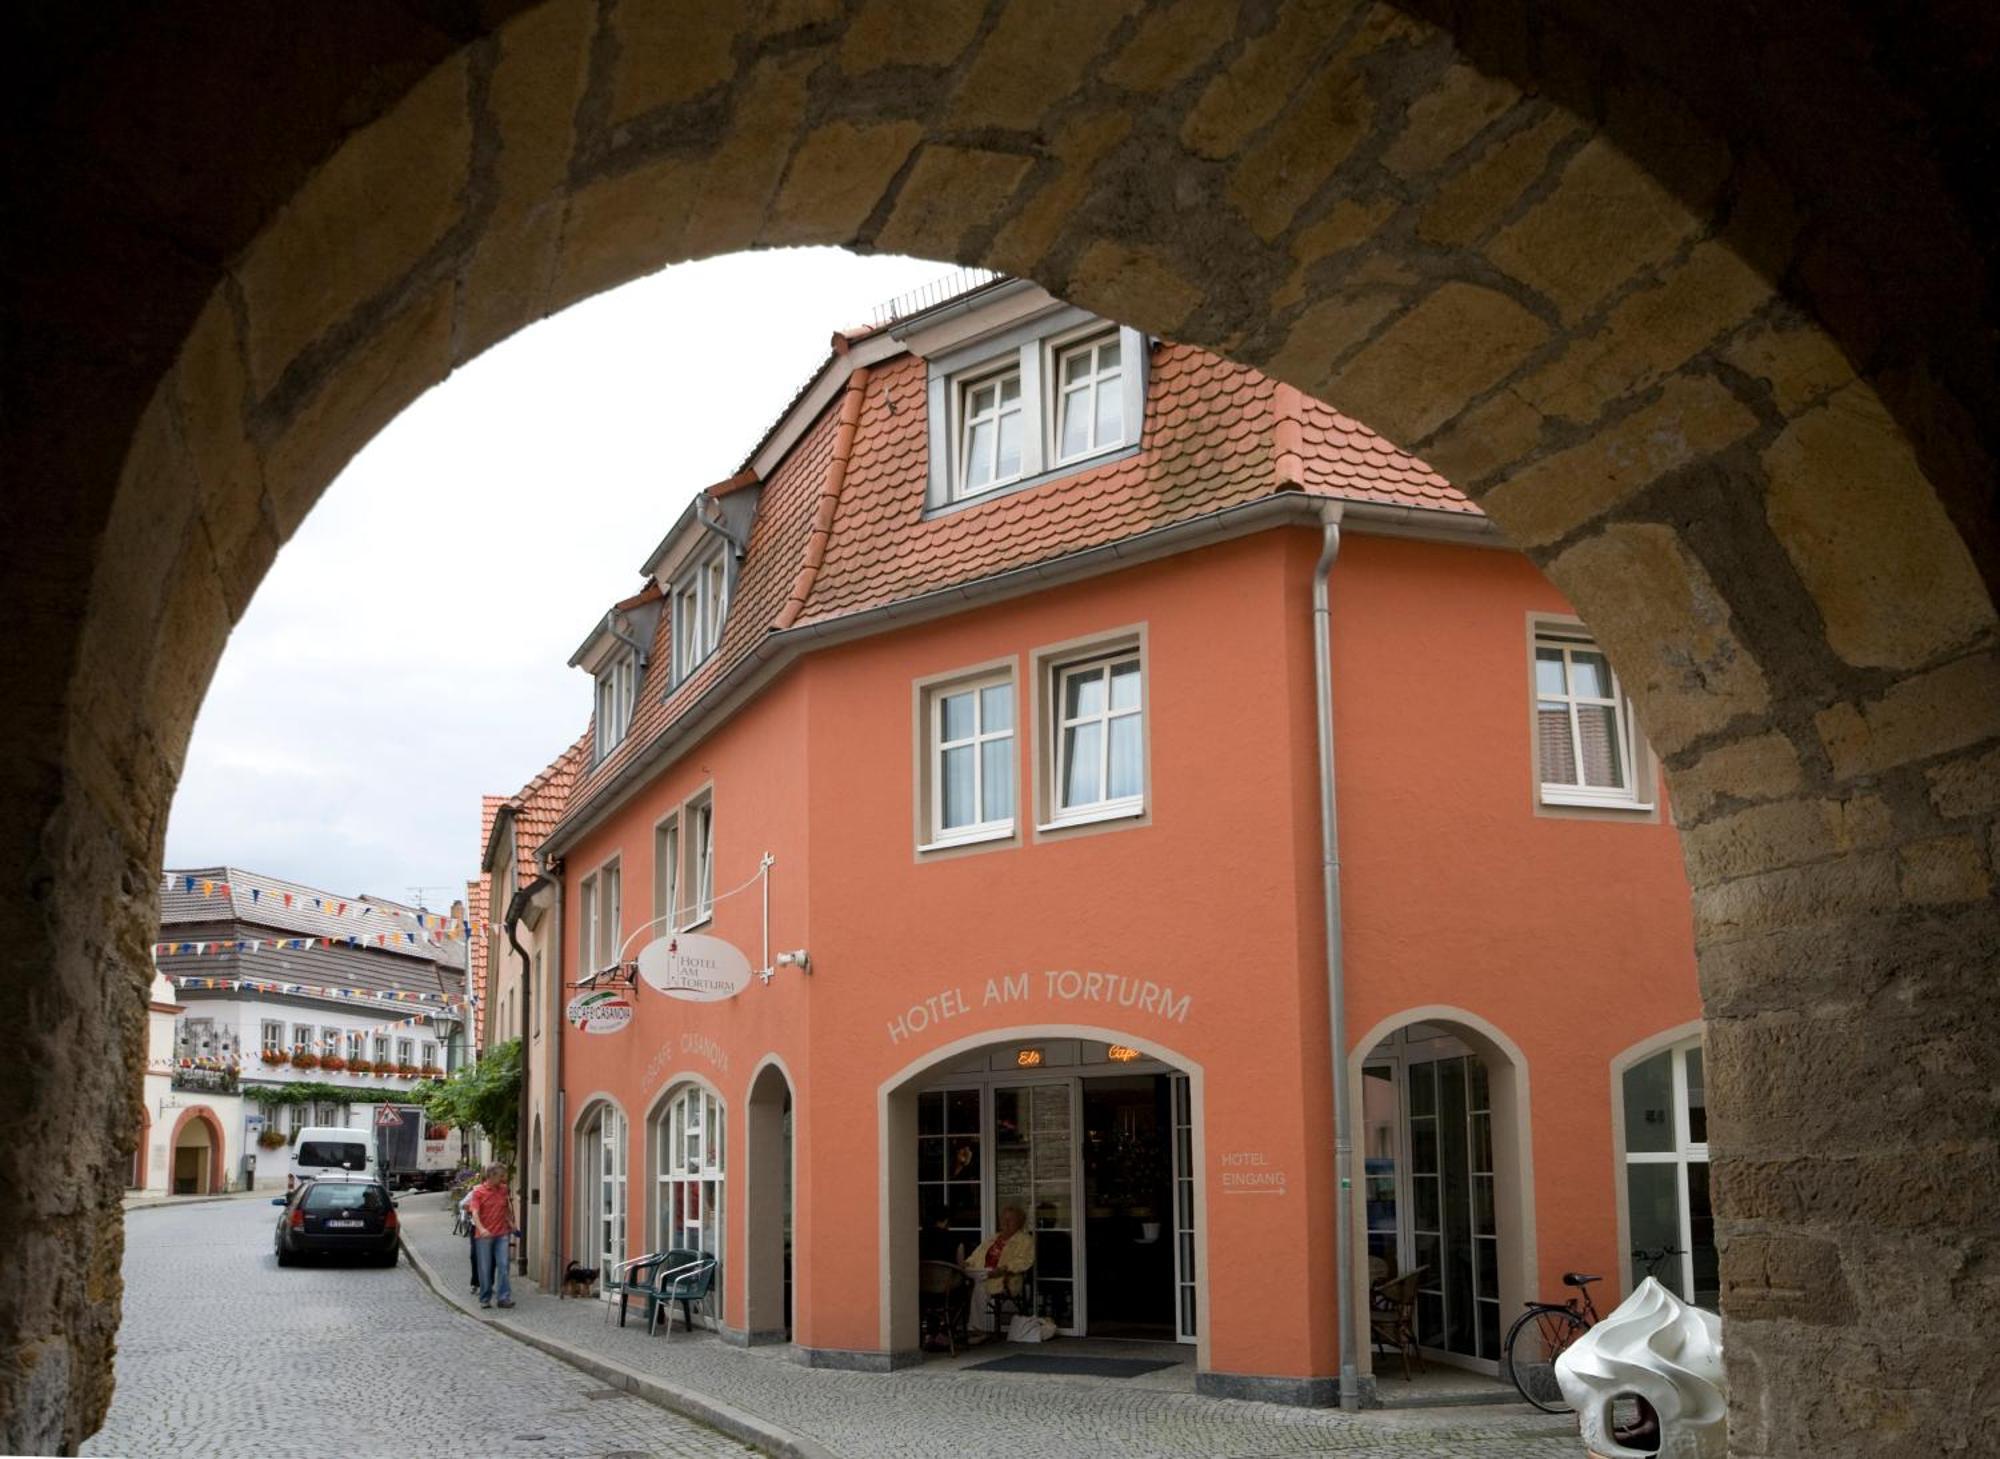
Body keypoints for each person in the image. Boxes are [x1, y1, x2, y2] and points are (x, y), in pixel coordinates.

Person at [961, 1204, 1035, 1338]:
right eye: (1003, 1219)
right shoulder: (993, 1238)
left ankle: (976, 1329)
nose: (1005, 1223)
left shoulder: (1025, 1240)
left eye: (1010, 1220)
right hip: (984, 1272)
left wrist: (1004, 1269)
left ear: (1019, 1222)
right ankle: (955, 1327)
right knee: (960, 1281)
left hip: (1005, 1277)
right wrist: (966, 1263)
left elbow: (1025, 1262)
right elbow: (976, 1255)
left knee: (980, 1286)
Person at [467, 1163, 516, 1310]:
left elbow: (505, 1209)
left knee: (504, 1266)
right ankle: (485, 1298)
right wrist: (481, 1229)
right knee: (485, 1268)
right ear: (491, 1175)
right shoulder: (478, 1192)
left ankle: (503, 1298)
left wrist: (511, 1223)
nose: (503, 1178)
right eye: (501, 1175)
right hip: (484, 1236)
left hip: (502, 1234)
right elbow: (474, 1213)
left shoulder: (504, 1190)